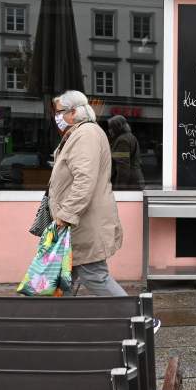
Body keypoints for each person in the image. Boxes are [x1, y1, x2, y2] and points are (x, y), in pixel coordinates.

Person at [49, 90, 127, 297]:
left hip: (84, 222)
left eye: (58, 112)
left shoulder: (86, 135)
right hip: (78, 222)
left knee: (94, 275)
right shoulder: (78, 134)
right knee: (61, 278)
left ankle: (138, 319)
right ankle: (56, 323)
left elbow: (84, 180)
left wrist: (64, 216)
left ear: (73, 112)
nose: (56, 116)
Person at [107, 114, 145, 189]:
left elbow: (123, 166)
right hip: (135, 181)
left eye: (111, 128)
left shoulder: (122, 140)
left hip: (129, 184)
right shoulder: (130, 137)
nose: (109, 130)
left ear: (117, 127)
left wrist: (120, 187)